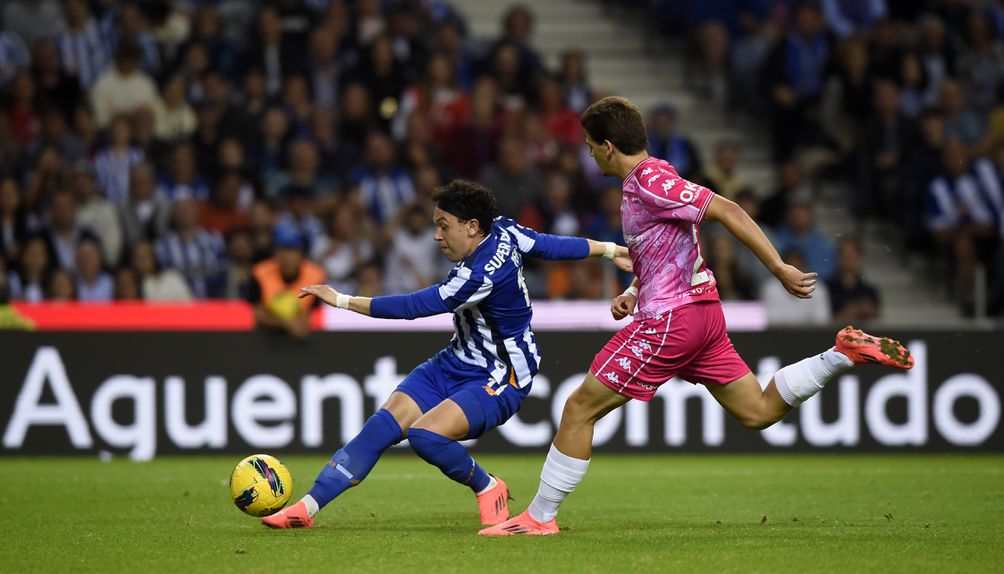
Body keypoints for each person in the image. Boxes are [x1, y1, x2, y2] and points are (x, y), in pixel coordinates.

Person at [480, 96, 914, 536]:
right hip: (701, 314)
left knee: (578, 408)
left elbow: (728, 210)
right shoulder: (656, 175)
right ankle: (840, 355)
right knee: (757, 411)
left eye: (591, 145)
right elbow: (671, 246)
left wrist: (778, 267)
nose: (588, 154)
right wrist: (634, 290)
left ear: (608, 146)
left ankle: (539, 518)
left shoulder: (648, 182)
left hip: (671, 321)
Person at [261, 179, 632, 529]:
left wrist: (341, 299)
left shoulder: (480, 272)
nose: (436, 235)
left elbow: (414, 306)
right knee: (381, 427)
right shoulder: (503, 229)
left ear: (471, 226)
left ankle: (488, 486)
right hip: (454, 362)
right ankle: (306, 509)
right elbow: (550, 245)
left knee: (425, 436)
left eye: (443, 225)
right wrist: (610, 249)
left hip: (502, 374)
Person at [246, 224, 326, 340]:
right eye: (283, 250)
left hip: (302, 338)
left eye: (292, 250)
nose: (287, 256)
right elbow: (257, 314)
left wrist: (299, 324)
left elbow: (313, 312)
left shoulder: (315, 276)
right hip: (265, 337)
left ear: (301, 254)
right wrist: (287, 324)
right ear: (275, 252)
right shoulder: (260, 273)